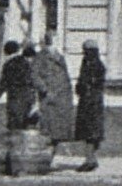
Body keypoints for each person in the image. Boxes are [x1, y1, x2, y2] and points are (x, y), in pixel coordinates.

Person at [32, 31, 74, 152]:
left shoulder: (59, 56)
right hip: (50, 97)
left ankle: (51, 155)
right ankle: (46, 156)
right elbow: (34, 75)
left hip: (62, 97)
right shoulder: (41, 56)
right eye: (55, 38)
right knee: (48, 130)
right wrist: (44, 89)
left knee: (59, 131)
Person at [74, 40, 105, 172]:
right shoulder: (97, 64)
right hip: (94, 101)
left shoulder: (90, 64)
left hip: (89, 102)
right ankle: (91, 158)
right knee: (92, 132)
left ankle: (90, 159)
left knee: (89, 132)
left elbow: (85, 82)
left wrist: (81, 87)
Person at [0, 39, 36, 130]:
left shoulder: (8, 65)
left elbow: (4, 83)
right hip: (27, 99)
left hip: (14, 100)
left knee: (14, 128)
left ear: (6, 52)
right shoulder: (26, 63)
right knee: (25, 127)